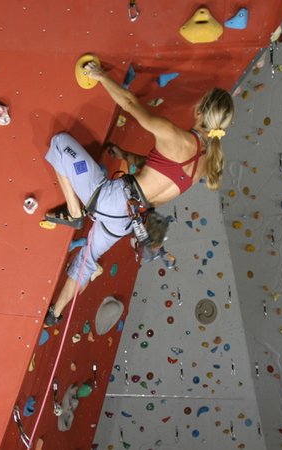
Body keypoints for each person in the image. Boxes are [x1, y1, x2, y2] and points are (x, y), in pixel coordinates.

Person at [43, 60, 235, 327]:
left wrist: (100, 75)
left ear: (201, 110)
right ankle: (55, 313)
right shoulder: (203, 165)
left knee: (59, 144)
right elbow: (159, 171)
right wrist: (125, 156)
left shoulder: (175, 135)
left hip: (111, 199)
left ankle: (76, 213)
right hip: (125, 222)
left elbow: (130, 104)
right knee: (87, 259)